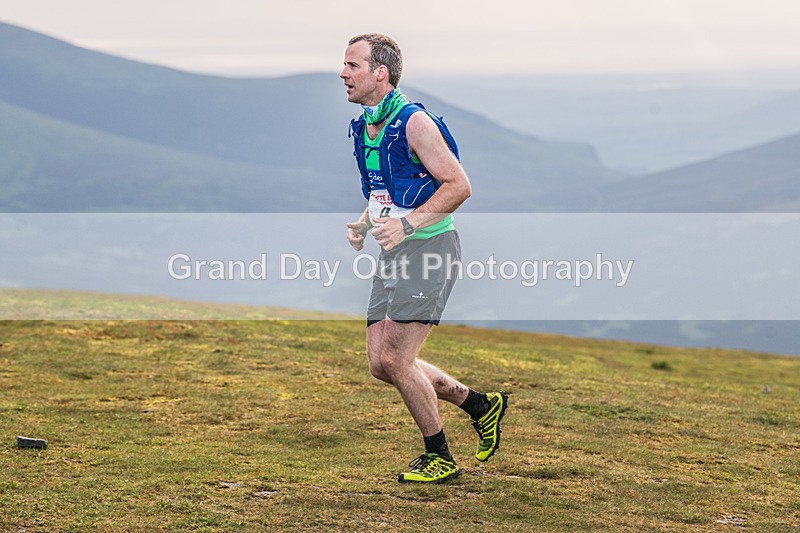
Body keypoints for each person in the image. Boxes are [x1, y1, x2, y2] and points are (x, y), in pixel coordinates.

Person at [340, 33, 508, 483]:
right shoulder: (364, 127)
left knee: (397, 359)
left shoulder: (414, 123)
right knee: (381, 364)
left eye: (352, 66)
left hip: (429, 250)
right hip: (395, 252)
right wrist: (364, 221)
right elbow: (386, 190)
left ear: (381, 73)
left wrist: (408, 225)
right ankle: (479, 404)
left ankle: (440, 458)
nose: (342, 73)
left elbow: (459, 186)